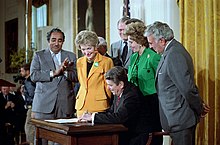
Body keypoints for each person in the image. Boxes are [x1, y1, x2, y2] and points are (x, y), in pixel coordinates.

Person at [145, 21, 210, 145]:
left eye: (151, 43)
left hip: (181, 119)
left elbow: (186, 87)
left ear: (162, 41)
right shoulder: (170, 52)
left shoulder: (174, 54)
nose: (151, 47)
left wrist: (199, 107)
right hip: (177, 119)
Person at [79, 66, 157, 145]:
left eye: (110, 85)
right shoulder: (119, 91)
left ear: (120, 84)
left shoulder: (131, 95)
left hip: (137, 138)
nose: (108, 88)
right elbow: (111, 112)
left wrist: (94, 117)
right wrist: (93, 115)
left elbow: (120, 117)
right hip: (125, 135)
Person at [30, 28, 78, 145]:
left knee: (63, 139)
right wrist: (54, 73)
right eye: (53, 40)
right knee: (42, 139)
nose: (56, 43)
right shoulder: (39, 55)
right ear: (48, 41)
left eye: (60, 40)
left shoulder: (71, 56)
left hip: (65, 104)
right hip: (44, 104)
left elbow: (77, 77)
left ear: (63, 42)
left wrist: (65, 71)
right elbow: (33, 75)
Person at [124, 20, 162, 145]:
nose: (129, 45)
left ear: (140, 41)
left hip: (151, 102)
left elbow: (162, 79)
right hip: (137, 101)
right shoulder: (134, 56)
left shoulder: (153, 56)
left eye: (131, 42)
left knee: (152, 135)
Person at [75, 30, 113, 117]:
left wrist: (109, 101)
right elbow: (82, 83)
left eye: (89, 48)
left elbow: (108, 86)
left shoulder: (106, 61)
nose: (86, 52)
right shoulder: (79, 62)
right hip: (81, 105)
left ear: (95, 46)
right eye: (83, 49)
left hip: (98, 105)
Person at [20, 63, 36, 145]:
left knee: (29, 126)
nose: (21, 73)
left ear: (28, 71)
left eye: (22, 71)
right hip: (33, 106)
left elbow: (32, 94)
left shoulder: (29, 81)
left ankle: (31, 143)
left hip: (32, 107)